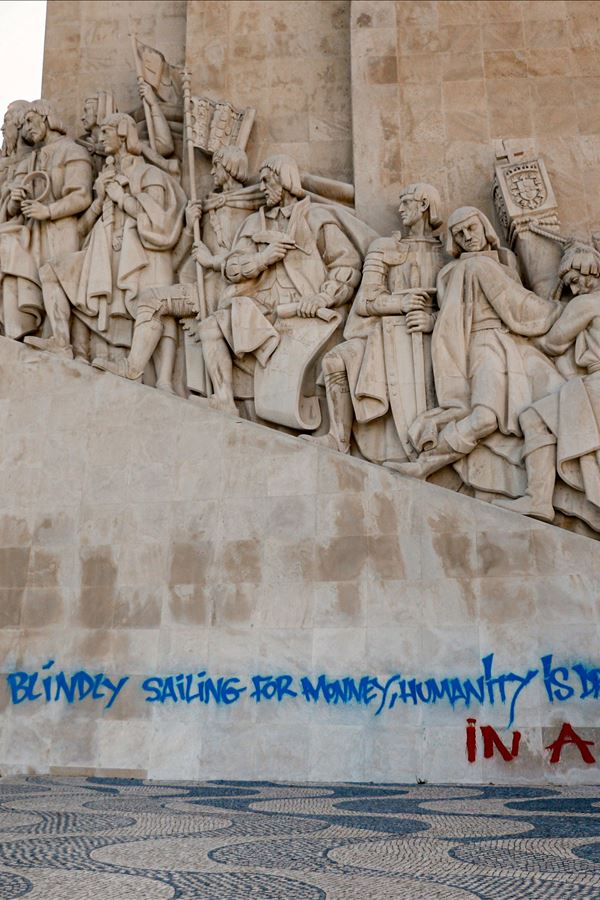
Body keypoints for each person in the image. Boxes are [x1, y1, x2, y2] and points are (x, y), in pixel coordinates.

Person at [393, 206, 565, 493]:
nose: (467, 237)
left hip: (516, 344)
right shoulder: (460, 268)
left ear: (484, 226)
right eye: (459, 234)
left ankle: (540, 499)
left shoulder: (505, 259)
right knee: (485, 417)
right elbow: (456, 312)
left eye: (471, 228)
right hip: (484, 344)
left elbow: (518, 301)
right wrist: (558, 311)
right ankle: (426, 464)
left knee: (554, 407)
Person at [25, 113, 186, 391]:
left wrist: (121, 197)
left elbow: (158, 220)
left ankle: (163, 381)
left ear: (123, 133)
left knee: (152, 308)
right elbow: (83, 228)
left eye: (107, 131)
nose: (100, 137)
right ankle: (62, 342)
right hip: (103, 253)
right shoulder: (106, 176)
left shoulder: (150, 174)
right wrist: (100, 200)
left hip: (141, 253)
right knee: (52, 270)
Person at [198, 153, 362, 415]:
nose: (261, 188)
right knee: (210, 327)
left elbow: (347, 266)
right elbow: (231, 268)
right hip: (260, 307)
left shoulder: (316, 218)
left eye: (266, 181)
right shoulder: (253, 223)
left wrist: (323, 297)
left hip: (301, 306)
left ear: (284, 180)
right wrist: (264, 258)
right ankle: (224, 398)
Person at [90, 144, 262, 387]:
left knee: (152, 299)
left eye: (217, 166)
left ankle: (133, 369)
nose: (212, 172)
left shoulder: (247, 210)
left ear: (231, 169)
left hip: (225, 293)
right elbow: (181, 258)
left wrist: (211, 261)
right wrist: (190, 228)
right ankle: (134, 368)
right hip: (200, 288)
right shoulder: (210, 206)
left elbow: (244, 262)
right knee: (151, 299)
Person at [308, 183, 445, 463]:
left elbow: (460, 308)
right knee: (334, 360)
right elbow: (365, 301)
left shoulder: (448, 254)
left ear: (424, 205)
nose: (400, 209)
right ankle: (338, 438)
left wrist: (432, 320)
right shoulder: (384, 248)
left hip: (437, 339)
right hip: (380, 338)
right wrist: (400, 304)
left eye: (406, 202)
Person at [495, 244, 600, 525]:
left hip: (597, 384)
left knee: (532, 418)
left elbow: (553, 343)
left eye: (577, 281)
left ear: (590, 270)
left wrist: (514, 333)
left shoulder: (587, 303)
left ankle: (539, 500)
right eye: (570, 285)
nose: (575, 290)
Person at [0, 99, 92, 340]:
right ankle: (20, 332)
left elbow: (82, 195)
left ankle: (60, 340)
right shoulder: (29, 160)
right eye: (22, 125)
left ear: (47, 117)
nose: (26, 128)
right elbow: (12, 208)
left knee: (57, 278)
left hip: (62, 227)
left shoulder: (73, 151)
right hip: (32, 230)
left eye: (30, 120)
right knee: (12, 256)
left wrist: (48, 211)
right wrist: (16, 198)